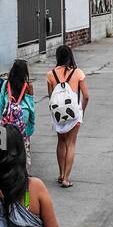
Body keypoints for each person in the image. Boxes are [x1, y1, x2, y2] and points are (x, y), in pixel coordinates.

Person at [47, 45, 89, 188]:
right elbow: (86, 96)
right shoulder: (78, 73)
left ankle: (60, 174)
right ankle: (66, 178)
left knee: (61, 142)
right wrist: (81, 110)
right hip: (74, 113)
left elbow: (50, 97)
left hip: (58, 115)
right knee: (71, 144)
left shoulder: (51, 74)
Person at [0, 59, 36, 158]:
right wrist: (31, 122)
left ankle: (7, 164)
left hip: (8, 117)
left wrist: (1, 118)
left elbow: (1, 103)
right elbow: (31, 107)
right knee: (24, 142)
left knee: (6, 144)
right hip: (23, 116)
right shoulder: (28, 86)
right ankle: (24, 167)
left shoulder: (6, 84)